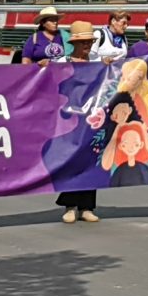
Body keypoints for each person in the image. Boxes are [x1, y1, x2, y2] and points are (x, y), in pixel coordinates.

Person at [54, 21, 100, 223]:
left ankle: (87, 206)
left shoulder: (98, 62)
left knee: (91, 161)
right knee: (71, 161)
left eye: (90, 41)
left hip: (92, 119)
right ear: (74, 43)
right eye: (83, 42)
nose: (87, 45)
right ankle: (70, 205)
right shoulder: (62, 62)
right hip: (69, 118)